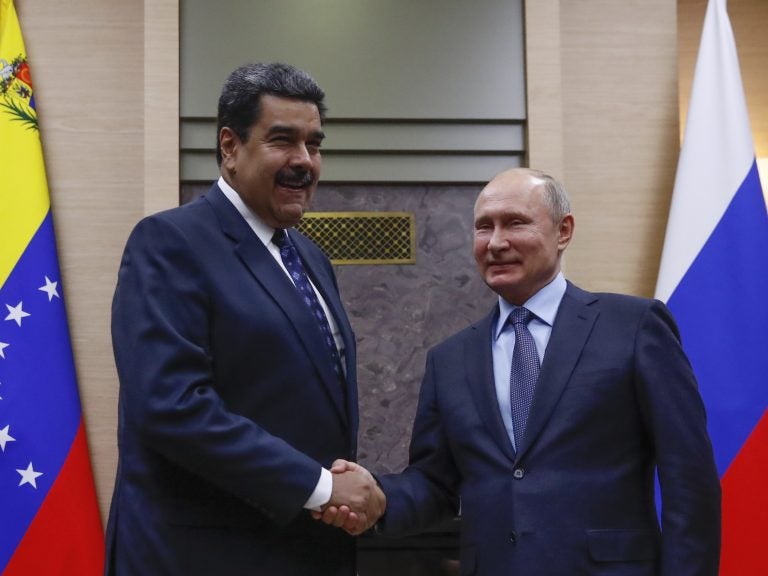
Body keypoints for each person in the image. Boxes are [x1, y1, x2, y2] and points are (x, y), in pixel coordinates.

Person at [322, 168, 721, 575]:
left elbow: (689, 478)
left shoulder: (633, 327)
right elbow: (436, 484)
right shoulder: (450, 359)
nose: (496, 242)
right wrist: (379, 497)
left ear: (563, 231)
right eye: (483, 227)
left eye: (514, 223)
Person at [104, 62, 384, 576]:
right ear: (230, 148)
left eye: (315, 145)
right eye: (284, 141)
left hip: (303, 551)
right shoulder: (170, 243)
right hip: (202, 557)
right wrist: (321, 487)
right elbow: (171, 407)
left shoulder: (311, 258)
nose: (305, 161)